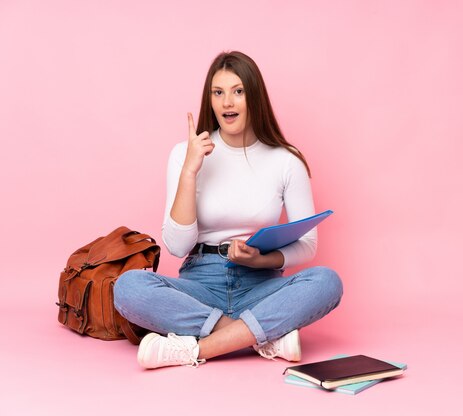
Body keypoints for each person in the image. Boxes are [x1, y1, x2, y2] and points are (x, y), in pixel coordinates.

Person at [113, 51, 343, 369]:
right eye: (218, 93)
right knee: (128, 287)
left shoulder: (287, 160)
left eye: (238, 91)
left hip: (260, 286)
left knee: (327, 281)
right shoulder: (185, 154)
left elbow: (308, 245)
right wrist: (190, 172)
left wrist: (261, 259)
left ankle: (192, 350)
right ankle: (260, 337)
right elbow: (177, 247)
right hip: (200, 285)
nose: (227, 103)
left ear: (255, 97)